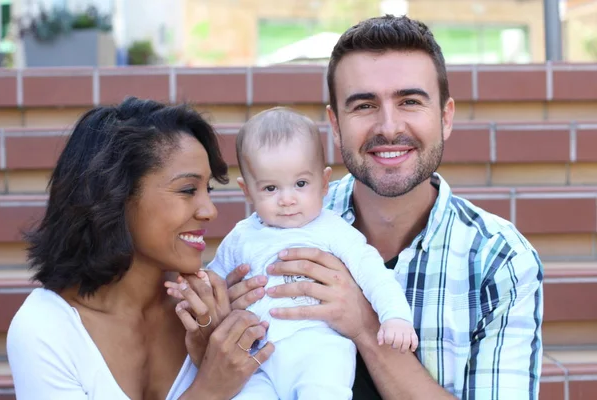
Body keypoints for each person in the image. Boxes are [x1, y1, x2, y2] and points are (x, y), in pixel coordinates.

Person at [223, 15, 544, 399]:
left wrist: (364, 325)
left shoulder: (500, 260)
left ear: (445, 117)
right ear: (335, 124)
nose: (389, 127)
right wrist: (222, 312)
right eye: (364, 105)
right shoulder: (276, 223)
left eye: (410, 101)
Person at [6, 97, 274, 400]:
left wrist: (217, 346)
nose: (209, 210)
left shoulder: (207, 312)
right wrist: (210, 388)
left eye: (207, 189)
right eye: (188, 190)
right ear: (115, 196)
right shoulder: (46, 328)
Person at [204, 107, 417, 399]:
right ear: (248, 191)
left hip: (318, 349)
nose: (287, 199)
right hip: (257, 356)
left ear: (324, 182)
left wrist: (395, 317)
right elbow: (214, 280)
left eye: (301, 184)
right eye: (270, 188)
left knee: (322, 389)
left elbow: (373, 273)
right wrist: (200, 290)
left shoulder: (332, 230)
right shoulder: (241, 236)